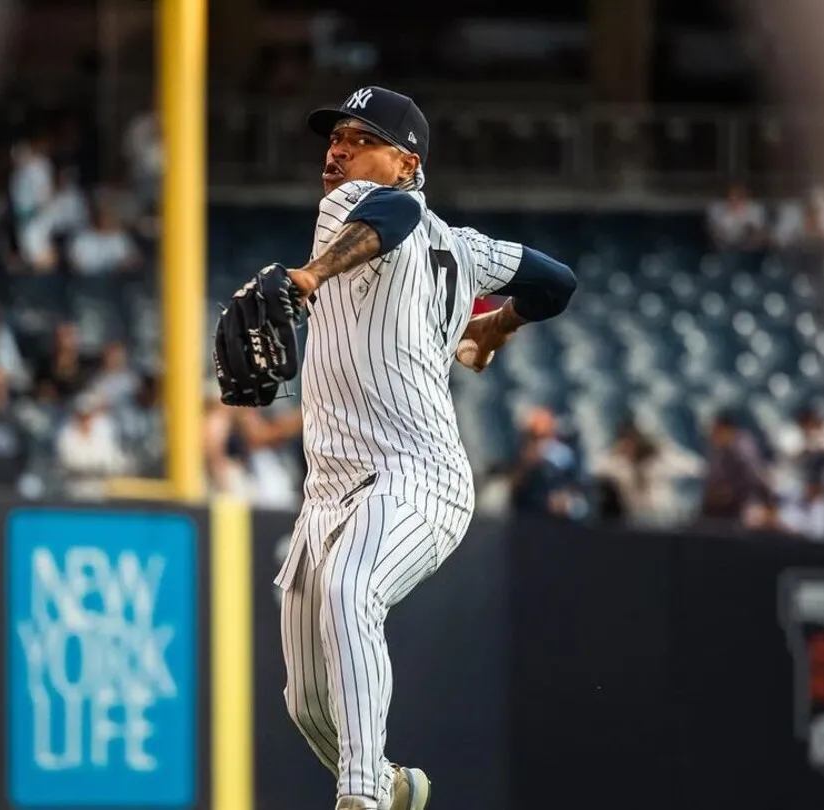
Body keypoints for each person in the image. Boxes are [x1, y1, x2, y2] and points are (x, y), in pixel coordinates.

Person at [268, 87, 576, 810]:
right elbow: (555, 281)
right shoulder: (465, 248)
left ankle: (363, 802)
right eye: (334, 137)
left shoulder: (369, 204)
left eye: (358, 138)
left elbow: (398, 212)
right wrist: (496, 325)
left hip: (415, 475)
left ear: (407, 161)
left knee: (352, 591)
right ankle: (395, 787)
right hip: (330, 493)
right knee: (309, 703)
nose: (336, 151)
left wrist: (310, 276)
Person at [591, 419, 703, 527]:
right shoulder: (618, 463)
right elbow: (595, 469)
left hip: (663, 519)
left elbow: (696, 467)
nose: (629, 446)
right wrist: (614, 453)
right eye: (625, 442)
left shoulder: (660, 459)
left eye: (632, 441)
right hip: (633, 520)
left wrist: (662, 450)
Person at [509, 406, 587, 520]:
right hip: (529, 513)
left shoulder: (562, 454)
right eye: (534, 437)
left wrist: (564, 498)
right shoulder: (522, 458)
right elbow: (517, 488)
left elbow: (573, 482)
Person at [700, 411, 771, 524]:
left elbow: (757, 478)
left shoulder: (743, 445)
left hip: (750, 498)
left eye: (717, 430)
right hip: (726, 501)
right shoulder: (716, 450)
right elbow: (713, 479)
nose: (713, 435)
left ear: (726, 429)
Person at [706, 181, 767, 251]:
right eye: (733, 195)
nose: (735, 199)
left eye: (739, 196)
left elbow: (759, 232)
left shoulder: (755, 208)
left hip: (751, 248)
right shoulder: (719, 209)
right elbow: (717, 232)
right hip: (725, 246)